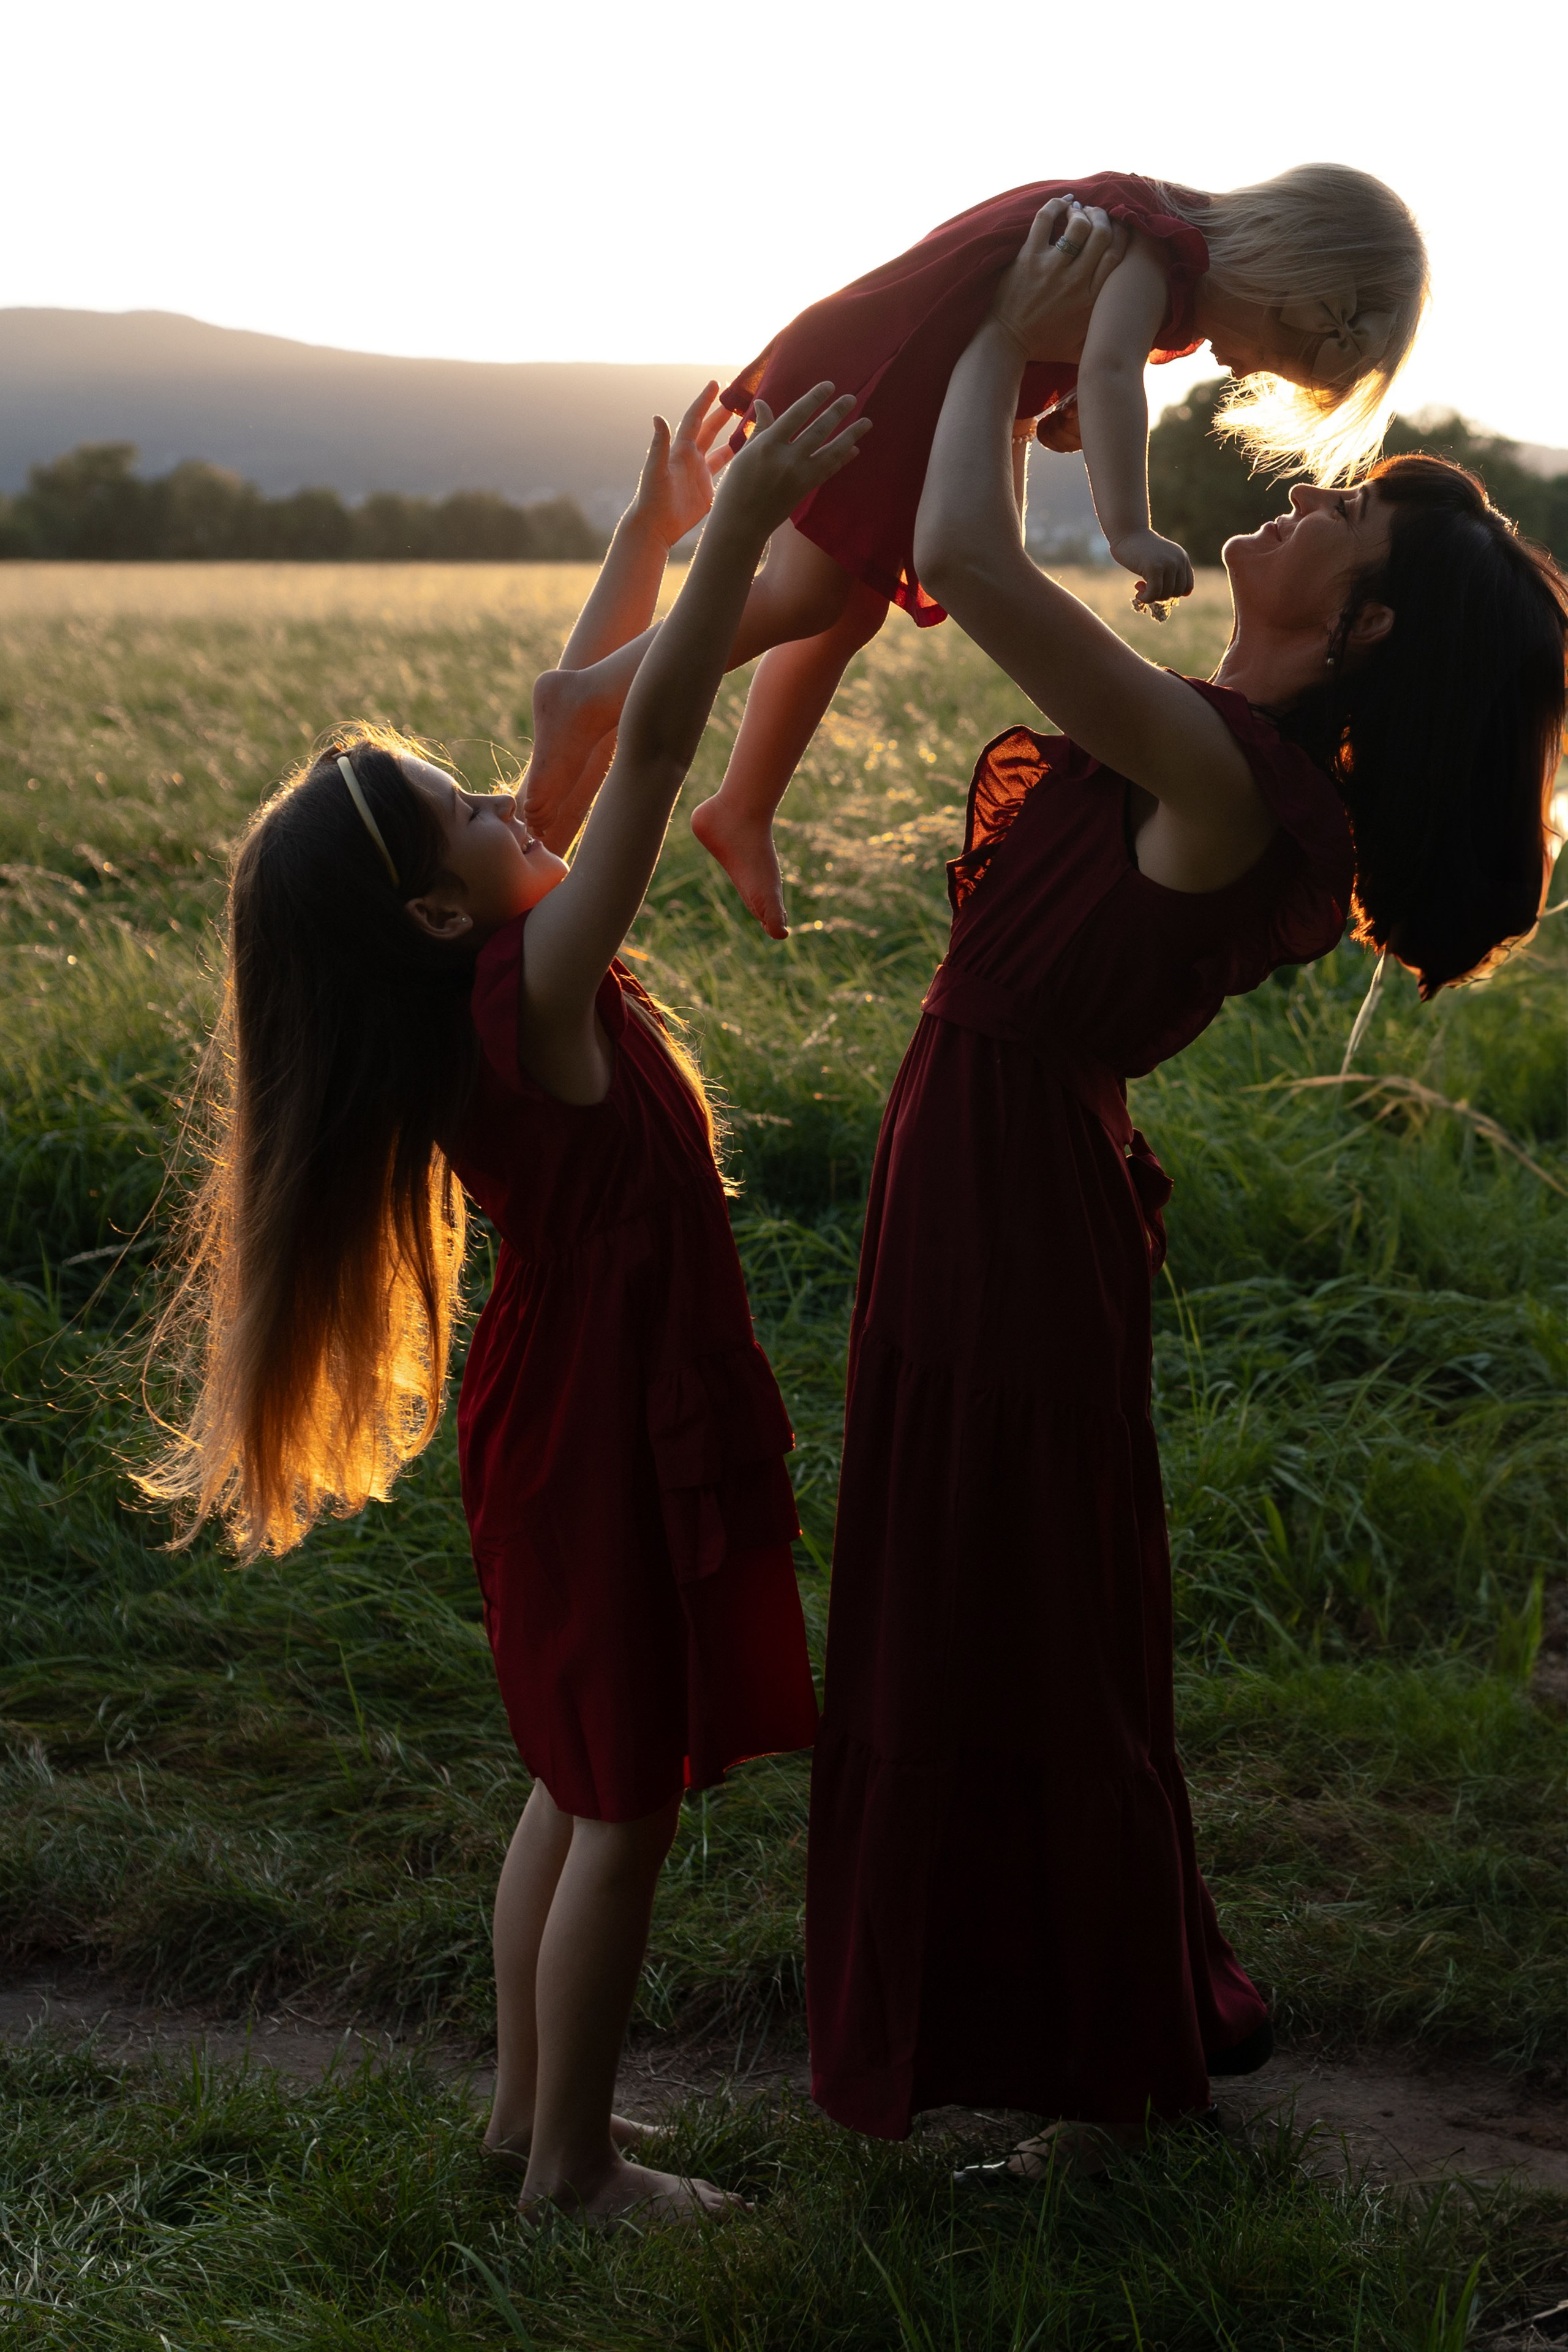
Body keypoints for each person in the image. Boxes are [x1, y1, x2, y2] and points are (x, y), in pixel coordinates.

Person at [805, 201, 1566, 2174]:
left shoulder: (1229, 780)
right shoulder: (1216, 747)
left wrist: (1010, 328)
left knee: (1016, 1623)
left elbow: (971, 558)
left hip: (1008, 1198)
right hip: (994, 1170)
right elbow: (976, 556)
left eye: (1345, 520)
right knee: (999, 1603)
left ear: (1363, 631)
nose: (1302, 500)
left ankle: (1107, 2073)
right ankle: (1084, 2035)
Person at [140, 382, 870, 2222]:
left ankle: (521, 2129)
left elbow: (573, 714)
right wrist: (741, 530)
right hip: (601, 1420)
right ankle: (576, 2173)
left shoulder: (483, 952)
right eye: (464, 810)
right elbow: (644, 748)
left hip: (565, 1403)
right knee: (623, 1802)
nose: (502, 796)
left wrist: (654, 528)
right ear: (435, 914)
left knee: (575, 1775)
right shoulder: (536, 985)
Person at [524, 164, 1427, 941]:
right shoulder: (1153, 249)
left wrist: (1054, 403)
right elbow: (1111, 371)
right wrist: (1129, 527)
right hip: (873, 372)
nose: (1246, 371)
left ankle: (742, 805)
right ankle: (589, 699)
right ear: (1293, 282)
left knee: (844, 612)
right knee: (804, 596)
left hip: (896, 378)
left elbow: (1067, 353)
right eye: (1276, 357)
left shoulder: (1163, 261)